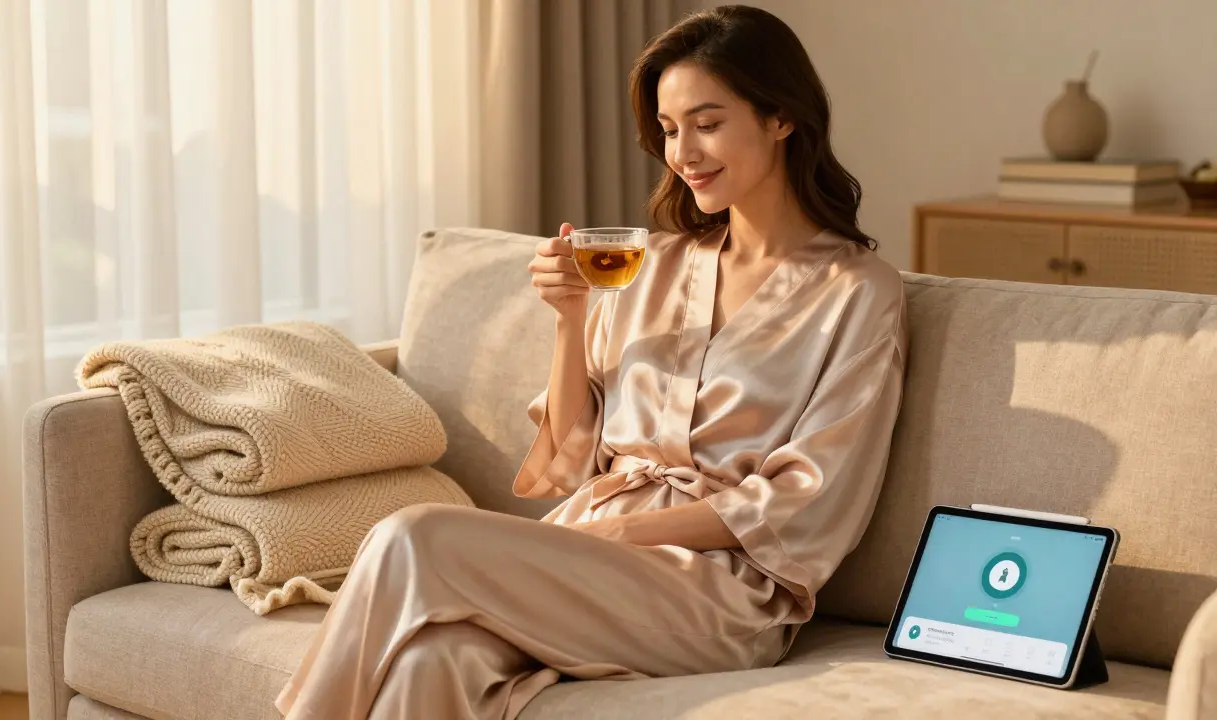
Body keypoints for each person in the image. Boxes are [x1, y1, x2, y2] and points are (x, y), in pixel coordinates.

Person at [275, 5, 907, 718]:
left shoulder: (857, 294)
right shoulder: (654, 264)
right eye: (669, 131)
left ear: (781, 117)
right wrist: (570, 319)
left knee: (412, 535)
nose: (683, 153)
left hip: (719, 593)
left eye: (707, 122)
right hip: (588, 552)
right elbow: (571, 458)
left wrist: (627, 530)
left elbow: (812, 501)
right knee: (433, 659)